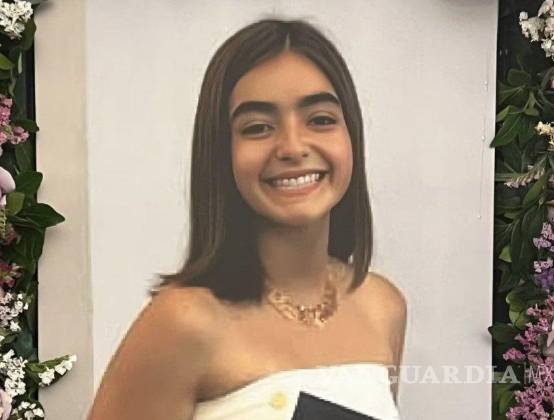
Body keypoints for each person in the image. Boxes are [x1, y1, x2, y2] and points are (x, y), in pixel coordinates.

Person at [87, 17, 407, 420]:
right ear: (222, 152)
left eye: (321, 120)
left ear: (351, 135)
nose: (293, 147)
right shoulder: (184, 322)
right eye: (258, 128)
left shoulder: (381, 306)